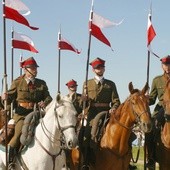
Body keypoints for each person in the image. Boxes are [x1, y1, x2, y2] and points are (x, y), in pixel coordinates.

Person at [1, 57, 52, 168]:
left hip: (37, 113)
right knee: (18, 133)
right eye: (32, 68)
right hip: (21, 115)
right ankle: (11, 161)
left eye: (35, 68)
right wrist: (5, 97)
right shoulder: (18, 82)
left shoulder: (41, 83)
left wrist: (45, 102)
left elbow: (49, 97)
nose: (35, 70)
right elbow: (9, 98)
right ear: (26, 69)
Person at [80, 57, 121, 169]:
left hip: (107, 113)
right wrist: (84, 99)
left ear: (104, 69)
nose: (99, 69)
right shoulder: (86, 84)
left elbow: (116, 101)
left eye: (101, 67)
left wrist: (114, 108)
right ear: (93, 70)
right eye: (97, 68)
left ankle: (125, 159)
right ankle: (86, 162)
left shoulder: (110, 84)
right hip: (92, 114)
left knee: (123, 133)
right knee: (86, 135)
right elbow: (81, 104)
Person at [146, 55, 170, 168]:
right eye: (165, 65)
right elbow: (152, 99)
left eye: (169, 64)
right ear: (162, 66)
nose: (167, 67)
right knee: (152, 127)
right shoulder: (157, 80)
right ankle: (151, 157)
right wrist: (146, 99)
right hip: (161, 108)